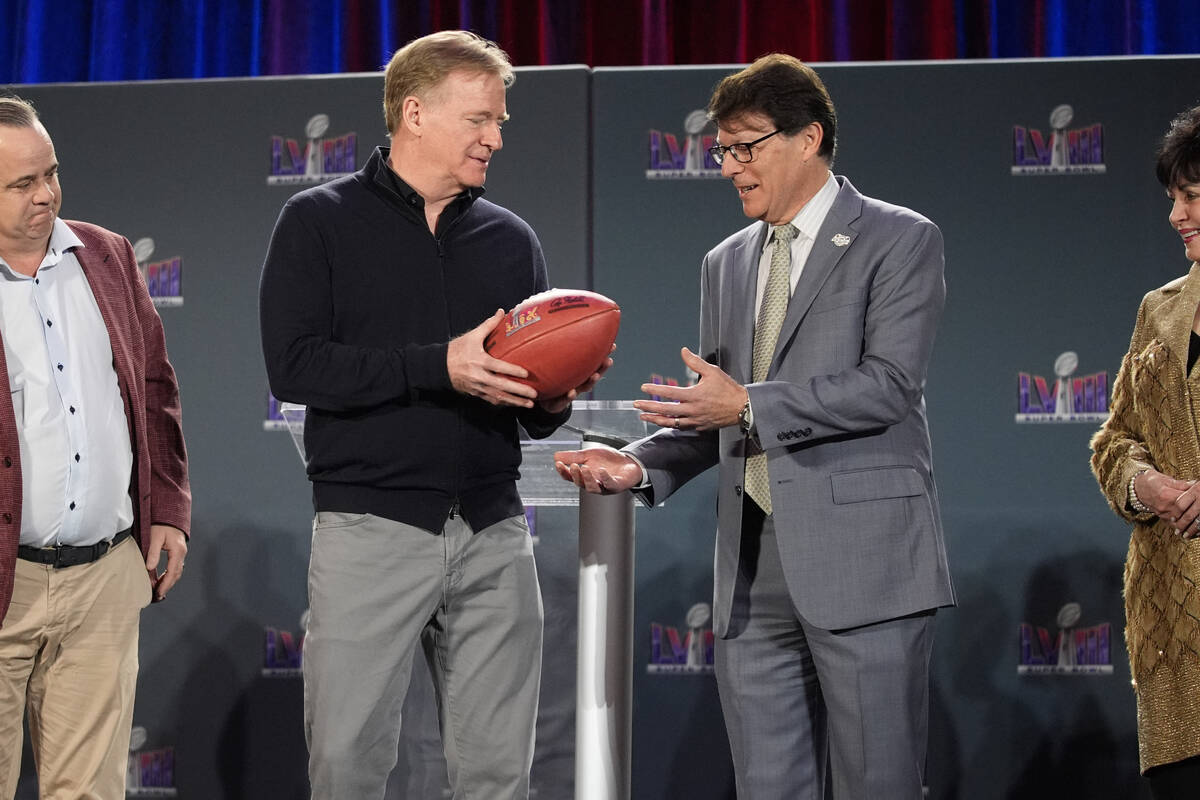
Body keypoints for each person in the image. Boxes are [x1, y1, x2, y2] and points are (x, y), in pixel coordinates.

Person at [555, 54, 954, 798]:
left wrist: (744, 405)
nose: (732, 166)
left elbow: (888, 387)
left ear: (808, 138)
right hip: (751, 567)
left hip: (864, 566)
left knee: (879, 785)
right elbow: (720, 404)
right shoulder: (726, 261)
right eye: (723, 151)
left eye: (748, 147)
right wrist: (638, 464)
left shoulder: (899, 239)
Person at [258, 30, 605, 800]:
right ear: (414, 113)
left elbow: (530, 414)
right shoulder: (318, 221)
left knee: (495, 776)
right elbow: (295, 366)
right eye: (481, 118)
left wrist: (555, 391)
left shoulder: (511, 240)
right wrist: (436, 364)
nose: (497, 137)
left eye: (501, 121)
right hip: (369, 534)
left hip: (493, 531)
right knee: (347, 768)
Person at [0, 96, 190, 798]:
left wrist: (166, 508)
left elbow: (155, 387)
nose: (45, 193)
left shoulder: (105, 256)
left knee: (91, 791)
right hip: (5, 584)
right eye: (22, 183)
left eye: (51, 173)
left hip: (104, 577)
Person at [1091, 104, 1200, 800]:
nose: (1175, 215)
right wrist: (1147, 486)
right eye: (1173, 199)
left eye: (1190, 196)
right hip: (1174, 631)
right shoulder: (1158, 311)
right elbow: (1114, 439)